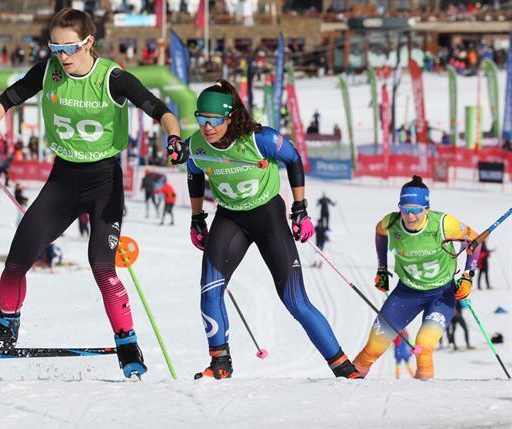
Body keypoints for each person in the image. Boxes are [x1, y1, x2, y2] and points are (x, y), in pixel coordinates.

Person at [0, 8, 188, 379]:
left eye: (69, 48)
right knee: (16, 260)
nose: (62, 56)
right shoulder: (48, 71)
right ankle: (5, 331)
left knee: (102, 266)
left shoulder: (112, 78)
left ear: (89, 43)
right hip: (63, 180)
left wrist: (174, 137)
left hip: (104, 183)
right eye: (55, 47)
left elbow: (160, 110)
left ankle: (127, 343)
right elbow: (4, 101)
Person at [185, 80, 360, 380]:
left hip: (267, 216)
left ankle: (343, 367)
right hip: (229, 218)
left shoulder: (259, 139)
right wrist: (197, 218)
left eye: (213, 121)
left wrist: (300, 209)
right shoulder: (196, 144)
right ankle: (220, 364)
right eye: (201, 119)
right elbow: (193, 172)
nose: (207, 127)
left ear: (229, 118)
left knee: (295, 300)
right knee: (209, 291)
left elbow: (293, 159)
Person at [353, 176, 480, 379]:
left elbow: (475, 240)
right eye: (405, 209)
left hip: (441, 294)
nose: (410, 216)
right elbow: (379, 231)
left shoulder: (445, 224)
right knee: (371, 350)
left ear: (427, 208)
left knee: (423, 346)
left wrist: (468, 275)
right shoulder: (391, 222)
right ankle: (344, 392)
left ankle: (423, 398)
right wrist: (382, 268)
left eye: (416, 210)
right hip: (406, 293)